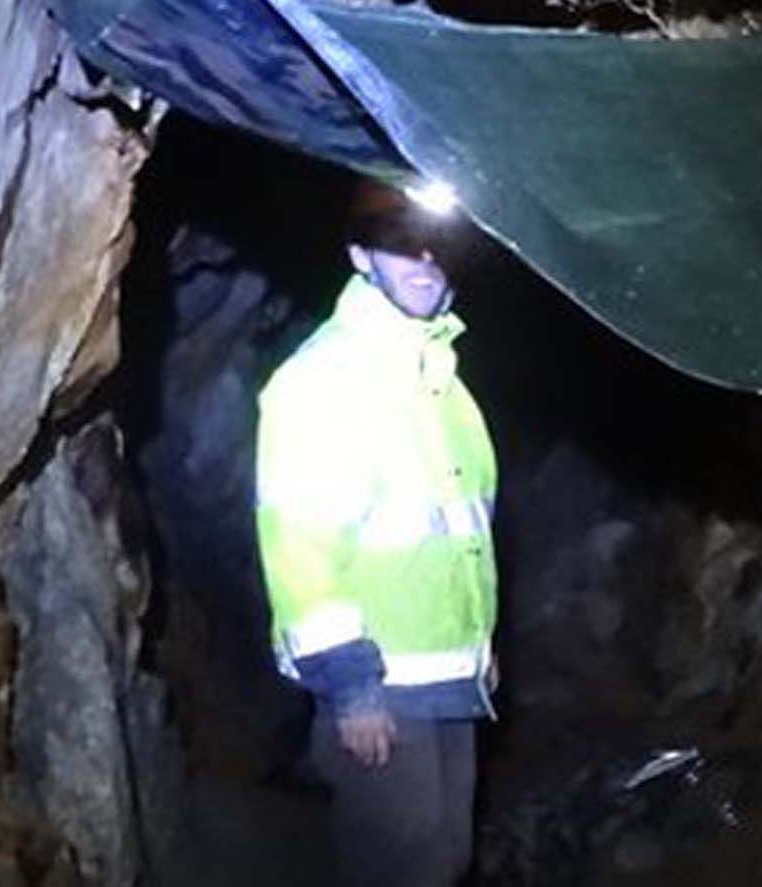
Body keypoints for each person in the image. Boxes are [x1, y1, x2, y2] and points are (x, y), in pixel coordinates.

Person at [255, 186, 498, 887]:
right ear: (360, 256)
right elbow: (299, 543)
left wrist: (478, 645)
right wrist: (350, 687)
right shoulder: (323, 379)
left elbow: (463, 531)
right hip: (380, 684)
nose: (425, 260)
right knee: (400, 863)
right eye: (399, 242)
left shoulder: (444, 387)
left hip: (448, 673)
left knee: (446, 855)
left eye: (438, 243)